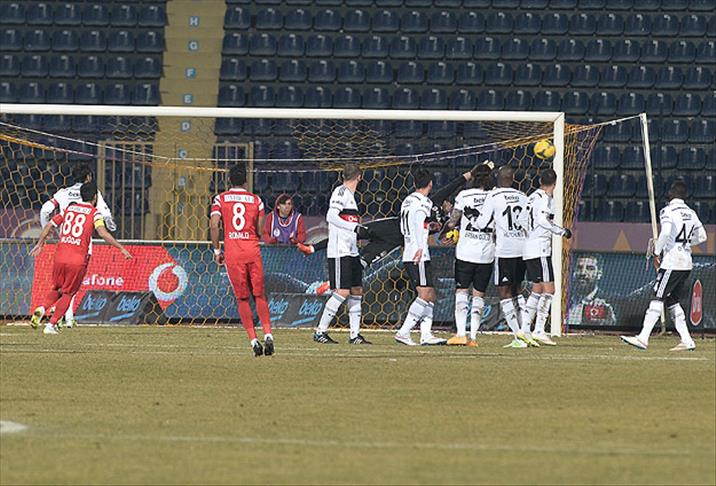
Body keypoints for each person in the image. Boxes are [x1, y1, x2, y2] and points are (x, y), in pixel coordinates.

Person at [297, 162, 492, 269]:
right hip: (392, 226)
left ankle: (333, 286)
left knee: (365, 262)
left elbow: (440, 236)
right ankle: (313, 248)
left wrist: (446, 235)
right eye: (448, 203)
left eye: (451, 205)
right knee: (355, 233)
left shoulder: (449, 221)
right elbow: (454, 184)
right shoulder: (431, 202)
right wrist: (471, 173)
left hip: (397, 241)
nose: (448, 204)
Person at [29, 182, 132, 334]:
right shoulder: (95, 214)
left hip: (60, 256)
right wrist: (121, 248)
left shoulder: (69, 209)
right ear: (95, 197)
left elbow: (49, 225)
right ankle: (51, 325)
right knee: (68, 293)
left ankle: (42, 308)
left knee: (57, 289)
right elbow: (103, 233)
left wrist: (40, 243)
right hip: (77, 259)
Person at [621, 180, 707, 351]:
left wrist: (657, 252)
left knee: (658, 295)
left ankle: (643, 337)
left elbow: (666, 232)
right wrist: (685, 244)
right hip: (686, 262)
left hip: (672, 262)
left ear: (672, 193)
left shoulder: (668, 211)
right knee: (672, 300)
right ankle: (687, 340)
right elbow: (702, 236)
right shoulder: (691, 213)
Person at [39, 163, 116, 328]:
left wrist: (46, 231)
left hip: (64, 241)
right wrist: (111, 226)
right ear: (88, 177)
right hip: (82, 244)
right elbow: (105, 213)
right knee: (73, 284)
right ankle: (66, 318)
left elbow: (45, 210)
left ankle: (55, 313)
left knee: (60, 285)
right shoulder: (93, 193)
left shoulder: (62, 193)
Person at [210, 164, 274, 357]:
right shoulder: (256, 200)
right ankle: (268, 334)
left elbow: (214, 225)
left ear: (229, 180)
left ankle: (254, 341)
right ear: (246, 180)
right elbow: (260, 229)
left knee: (242, 298)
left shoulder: (220, 199)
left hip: (234, 253)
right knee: (260, 295)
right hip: (252, 250)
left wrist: (217, 250)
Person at [475, 165, 536, 348]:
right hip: (522, 249)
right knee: (517, 290)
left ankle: (518, 335)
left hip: (505, 251)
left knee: (504, 293)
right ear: (512, 179)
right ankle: (526, 331)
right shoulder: (523, 196)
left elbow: (481, 223)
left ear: (497, 178)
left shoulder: (493, 196)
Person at [313, 163, 371, 345]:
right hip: (340, 251)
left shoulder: (351, 196)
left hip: (352, 251)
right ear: (359, 177)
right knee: (343, 291)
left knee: (356, 290)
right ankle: (320, 331)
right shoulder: (340, 192)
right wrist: (354, 227)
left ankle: (355, 335)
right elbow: (331, 216)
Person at [519, 168, 572, 346]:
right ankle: (539, 330)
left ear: (540, 181)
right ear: (555, 184)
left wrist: (530, 235)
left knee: (537, 289)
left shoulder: (531, 197)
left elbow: (521, 220)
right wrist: (561, 231)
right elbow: (542, 221)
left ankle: (525, 328)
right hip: (540, 249)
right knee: (550, 290)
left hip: (529, 248)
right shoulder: (545, 199)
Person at [394, 169, 447, 346]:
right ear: (430, 184)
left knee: (430, 293)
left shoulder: (407, 200)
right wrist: (419, 247)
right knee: (424, 294)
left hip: (409, 251)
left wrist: (429, 228)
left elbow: (406, 226)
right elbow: (418, 223)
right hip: (419, 254)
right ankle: (403, 332)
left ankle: (426, 334)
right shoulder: (425, 202)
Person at [445, 164, 495, 347]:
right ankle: (473, 337)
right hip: (487, 253)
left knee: (462, 292)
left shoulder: (464, 195)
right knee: (479, 295)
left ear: (473, 178)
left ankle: (460, 334)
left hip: (465, 252)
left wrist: (448, 213)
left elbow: (452, 222)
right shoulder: (494, 196)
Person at [566, 254, 617, 328]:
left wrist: (610, 323)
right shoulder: (562, 299)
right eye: (579, 268)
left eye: (590, 269)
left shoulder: (610, 304)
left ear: (599, 274)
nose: (583, 273)